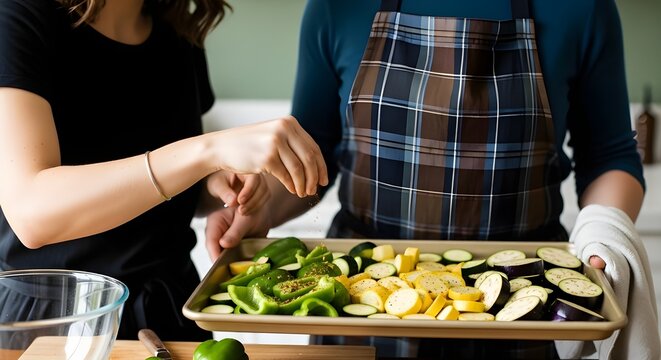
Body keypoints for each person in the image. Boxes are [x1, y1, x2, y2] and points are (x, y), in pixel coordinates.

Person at [203, 0, 656, 358]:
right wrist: (261, 206)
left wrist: (602, 235)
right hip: (361, 310)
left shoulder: (583, 6)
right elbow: (312, 159)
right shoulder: (334, 6)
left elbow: (609, 155)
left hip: (521, 308)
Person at [0, 0, 328, 343]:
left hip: (172, 311)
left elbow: (155, 175)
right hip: (58, 322)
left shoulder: (176, 29)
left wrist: (215, 184)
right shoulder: (19, 16)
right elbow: (32, 211)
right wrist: (207, 152)